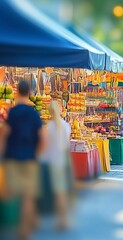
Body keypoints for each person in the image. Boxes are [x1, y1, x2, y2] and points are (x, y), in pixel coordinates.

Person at [0, 80, 45, 239]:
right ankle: (25, 230)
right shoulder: (34, 114)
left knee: (10, 192)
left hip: (12, 157)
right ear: (30, 93)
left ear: (17, 92)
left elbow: (4, 135)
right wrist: (37, 155)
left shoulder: (12, 112)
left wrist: (2, 154)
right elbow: (42, 138)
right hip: (29, 159)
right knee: (27, 196)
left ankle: (15, 224)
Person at [40, 101, 72, 230]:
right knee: (61, 191)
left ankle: (58, 219)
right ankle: (63, 219)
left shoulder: (49, 127)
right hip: (61, 161)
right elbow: (66, 145)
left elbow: (45, 146)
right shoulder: (65, 126)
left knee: (53, 192)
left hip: (50, 161)